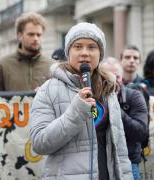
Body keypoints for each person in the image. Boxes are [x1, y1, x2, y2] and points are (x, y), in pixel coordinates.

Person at [30, 22, 133, 180]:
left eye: (92, 47)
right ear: (68, 52)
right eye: (77, 46)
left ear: (100, 54)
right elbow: (39, 143)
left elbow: (119, 148)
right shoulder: (48, 90)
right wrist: (76, 112)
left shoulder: (108, 88)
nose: (85, 53)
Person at [101, 57, 148, 180]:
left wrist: (115, 109)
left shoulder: (134, 96)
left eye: (116, 77)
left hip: (128, 162)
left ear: (122, 78)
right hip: (100, 162)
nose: (112, 81)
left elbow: (142, 133)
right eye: (106, 77)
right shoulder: (93, 98)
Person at [0, 12, 53, 91]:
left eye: (38, 35)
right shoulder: (2, 65)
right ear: (19, 35)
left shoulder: (52, 66)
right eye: (31, 34)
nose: (36, 38)